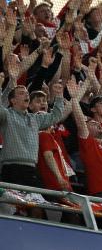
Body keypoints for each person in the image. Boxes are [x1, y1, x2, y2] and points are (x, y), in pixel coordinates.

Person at [0, 61, 65, 189]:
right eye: (21, 93)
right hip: (11, 168)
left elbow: (55, 116)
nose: (26, 94)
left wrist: (59, 96)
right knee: (12, 208)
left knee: (38, 209)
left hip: (31, 169)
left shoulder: (35, 119)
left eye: (26, 92)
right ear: (12, 100)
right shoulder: (7, 115)